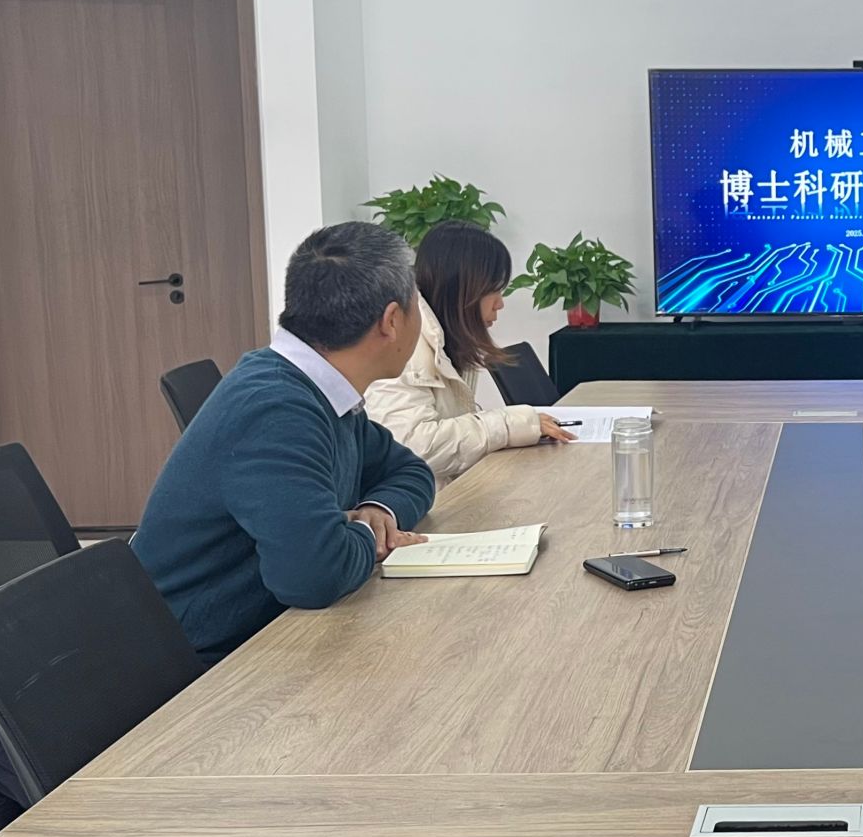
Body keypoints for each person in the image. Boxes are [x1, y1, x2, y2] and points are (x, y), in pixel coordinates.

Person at [133, 222, 438, 665]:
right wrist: (363, 537)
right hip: (199, 665)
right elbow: (314, 576)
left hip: (269, 629)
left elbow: (411, 472)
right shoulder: (276, 408)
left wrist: (378, 511)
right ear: (392, 320)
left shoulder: (324, 388)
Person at [366, 221, 574, 482]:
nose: (500, 303)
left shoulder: (441, 338)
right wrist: (509, 425)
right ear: (461, 290)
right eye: (493, 290)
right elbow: (414, 446)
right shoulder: (406, 345)